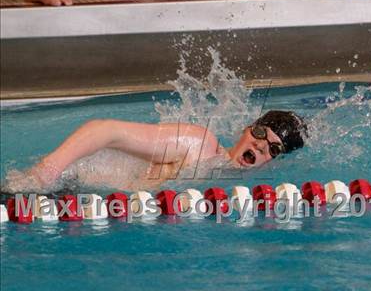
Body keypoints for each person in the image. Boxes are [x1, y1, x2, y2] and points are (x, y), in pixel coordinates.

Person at [3, 110, 306, 192]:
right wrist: (48, 171)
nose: (259, 146)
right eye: (258, 134)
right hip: (63, 183)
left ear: (273, 163)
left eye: (272, 149)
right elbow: (104, 129)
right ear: (245, 129)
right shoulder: (197, 143)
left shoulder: (230, 190)